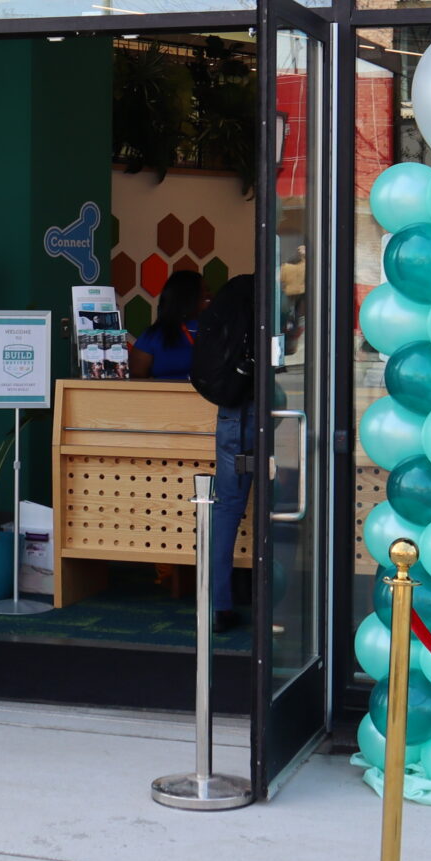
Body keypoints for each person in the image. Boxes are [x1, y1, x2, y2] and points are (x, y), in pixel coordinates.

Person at [186, 272, 256, 634]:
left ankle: (218, 604)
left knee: (227, 507)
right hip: (274, 413)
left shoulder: (233, 299)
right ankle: (287, 609)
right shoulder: (274, 302)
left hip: (232, 414)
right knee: (285, 509)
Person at [128, 270, 206, 381]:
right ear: (190, 297)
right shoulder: (155, 335)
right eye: (203, 293)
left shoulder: (214, 330)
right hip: (163, 396)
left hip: (207, 396)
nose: (208, 296)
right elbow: (136, 376)